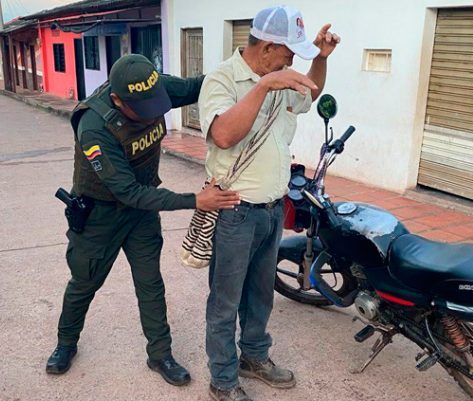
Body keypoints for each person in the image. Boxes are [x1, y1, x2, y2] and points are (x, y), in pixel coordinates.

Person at [46, 54, 241, 387]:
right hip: (100, 216)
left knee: (150, 284)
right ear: (118, 99)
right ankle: (66, 344)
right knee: (84, 283)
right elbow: (130, 192)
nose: (155, 112)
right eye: (144, 108)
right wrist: (195, 201)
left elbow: (199, 86)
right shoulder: (94, 126)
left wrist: (248, 76)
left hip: (141, 216)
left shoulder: (152, 88)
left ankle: (160, 354)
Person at [199, 6, 340, 401]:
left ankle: (254, 357)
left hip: (272, 210)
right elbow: (224, 135)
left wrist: (321, 60)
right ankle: (223, 379)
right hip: (234, 211)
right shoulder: (222, 80)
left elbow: (311, 94)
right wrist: (263, 87)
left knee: (261, 294)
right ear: (266, 49)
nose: (294, 60)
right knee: (225, 301)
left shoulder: (278, 78)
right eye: (289, 53)